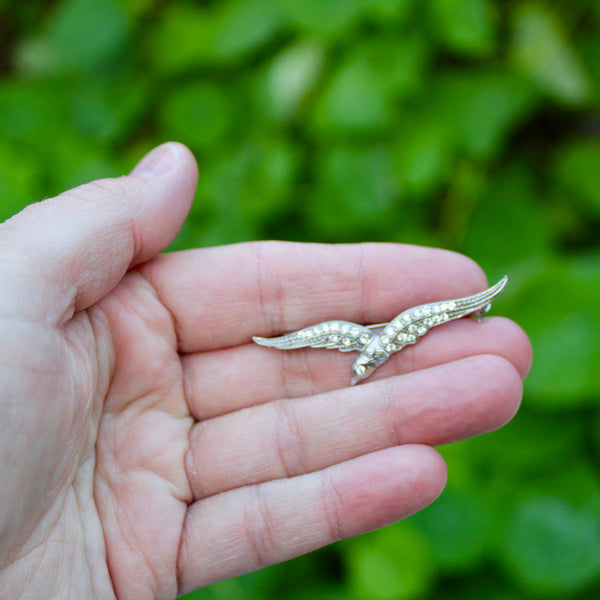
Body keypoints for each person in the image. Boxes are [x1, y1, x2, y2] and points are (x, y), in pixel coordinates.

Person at [0, 142, 532, 599]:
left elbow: (421, 317)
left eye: (367, 364)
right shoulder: (352, 340)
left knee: (428, 321)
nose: (366, 365)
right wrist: (283, 340)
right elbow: (315, 336)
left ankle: (474, 302)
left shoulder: (392, 336)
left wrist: (473, 303)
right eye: (366, 364)